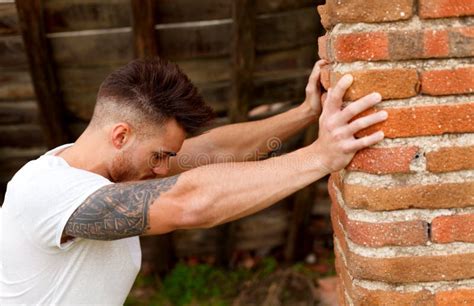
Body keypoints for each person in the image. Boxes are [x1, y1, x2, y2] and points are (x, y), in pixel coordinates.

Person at [0, 58, 387, 304]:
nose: (164, 170)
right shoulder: (45, 192)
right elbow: (189, 202)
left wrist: (305, 113)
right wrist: (321, 155)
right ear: (120, 136)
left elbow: (214, 150)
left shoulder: (103, 163)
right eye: (159, 157)